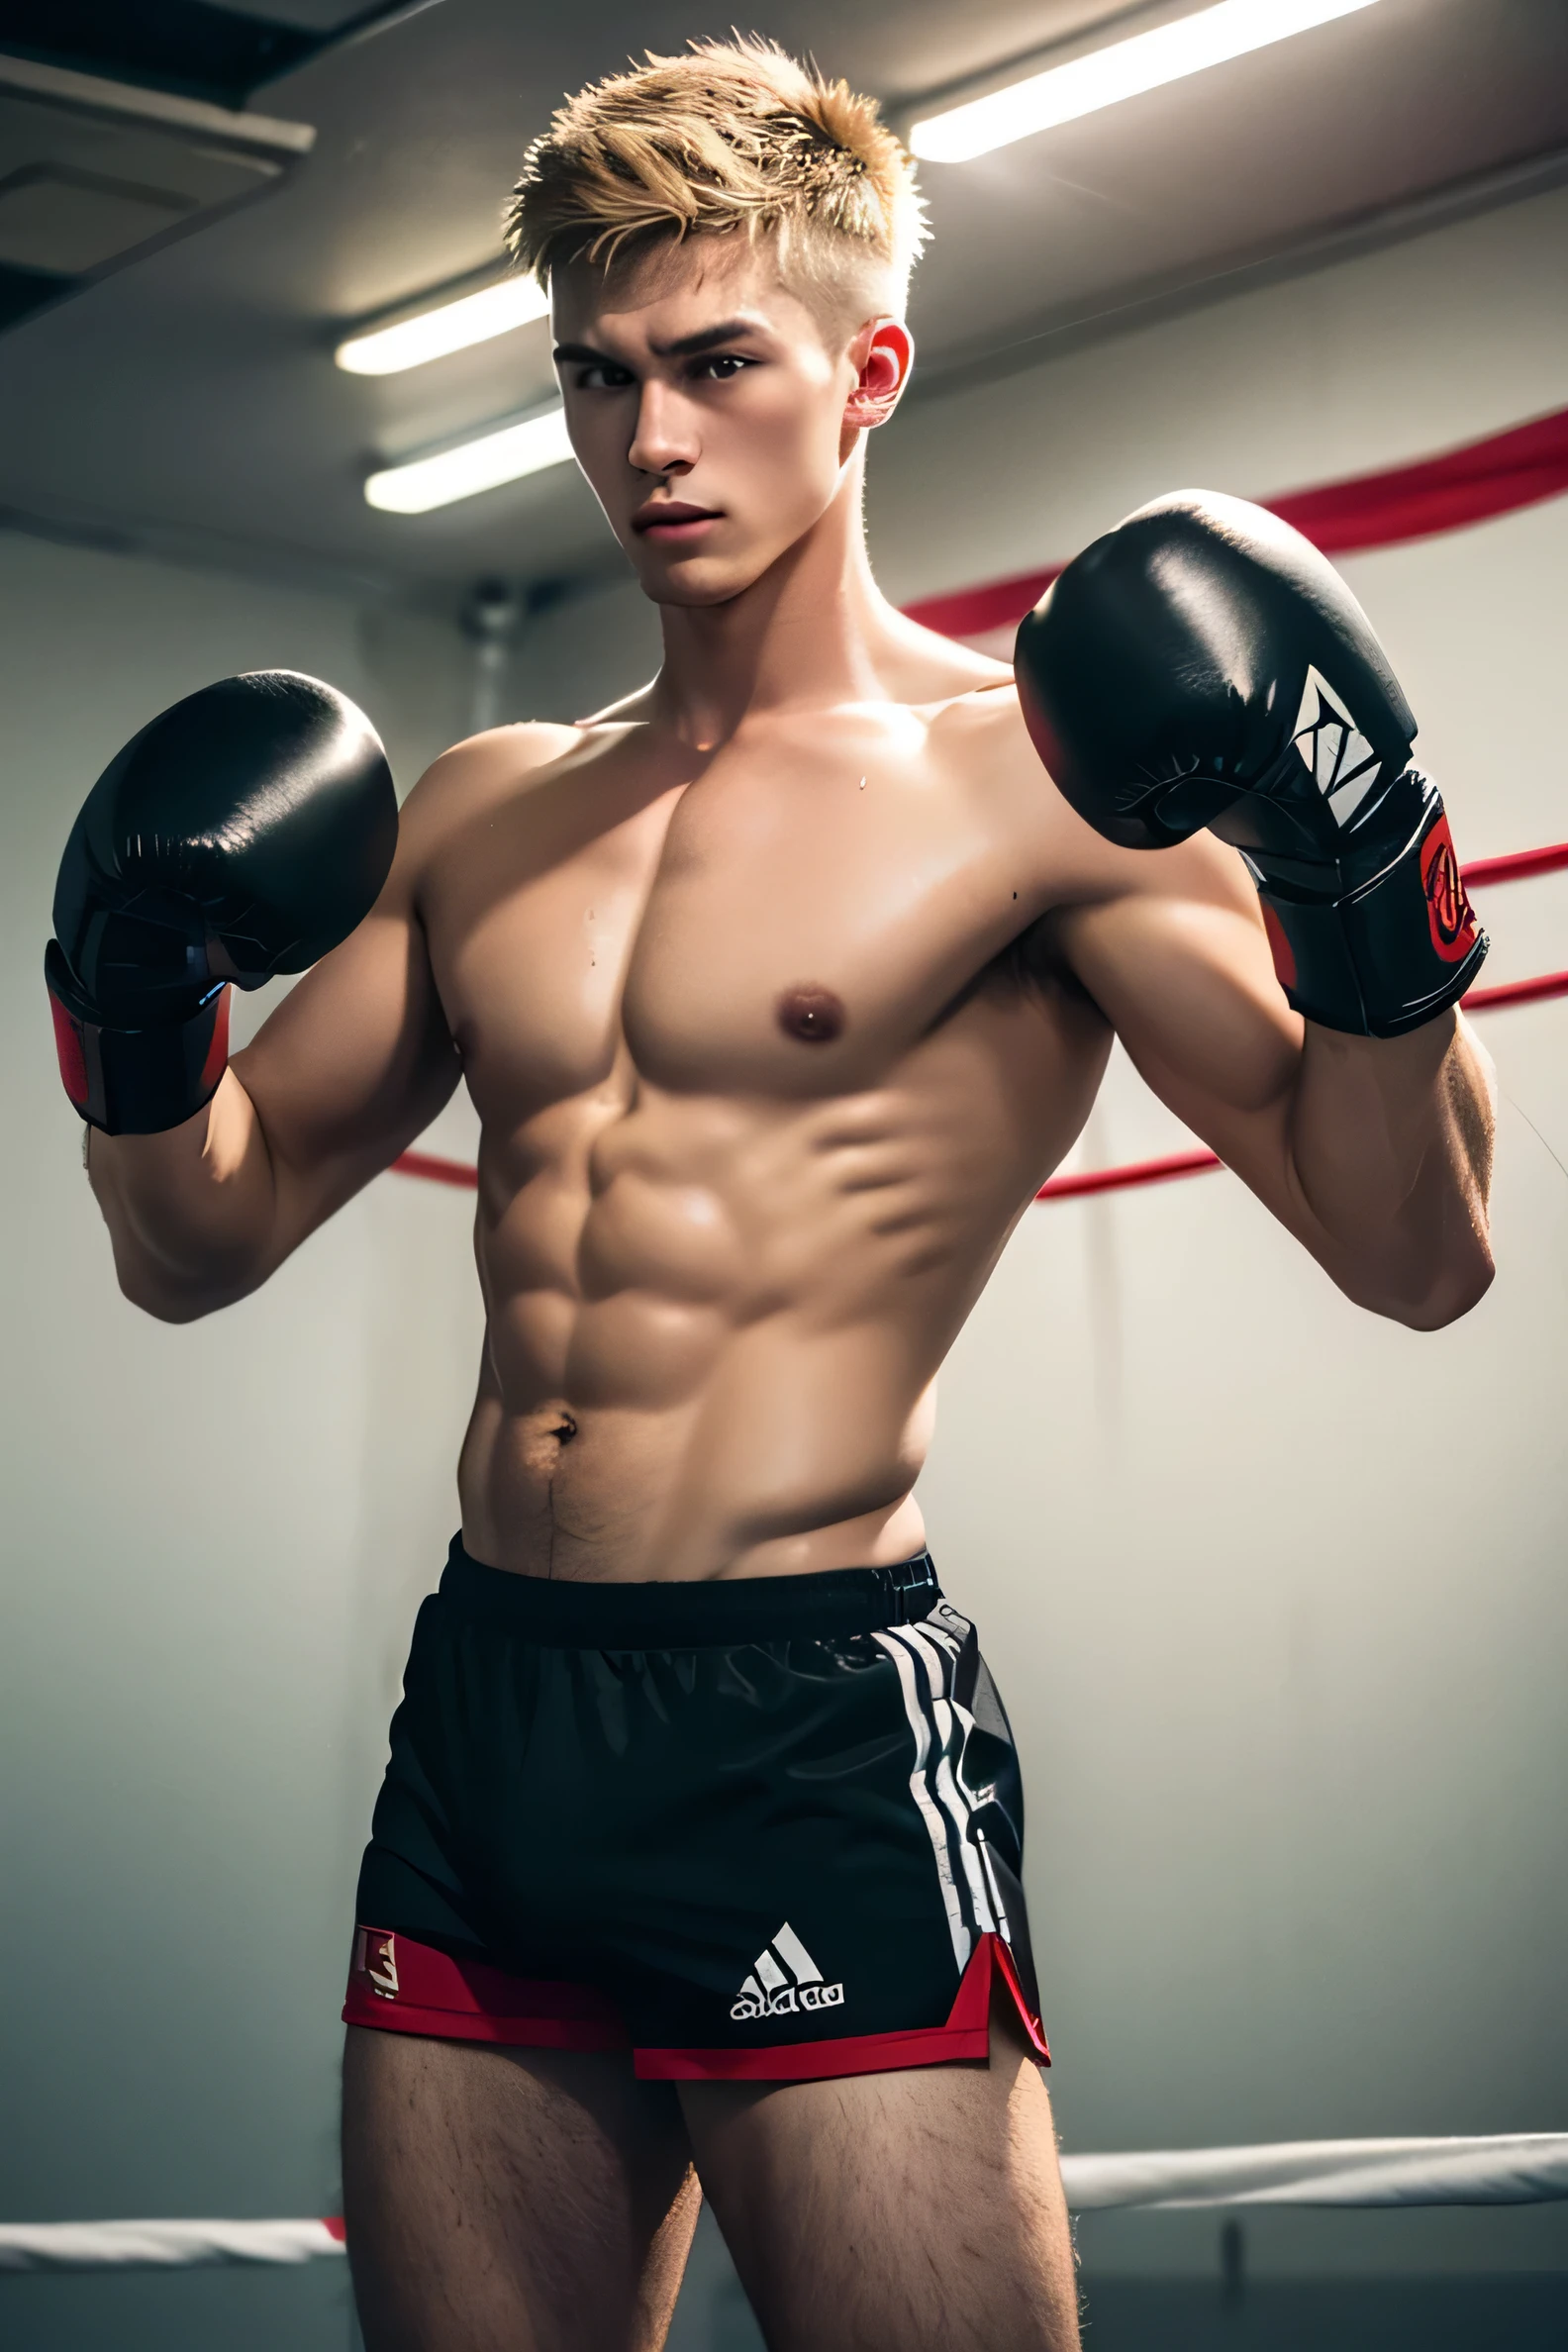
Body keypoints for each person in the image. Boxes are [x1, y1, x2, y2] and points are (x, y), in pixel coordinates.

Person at [48, 36, 1497, 2352]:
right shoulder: (484, 809)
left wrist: (1367, 889)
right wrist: (127, 1000)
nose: (649, 440)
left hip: (805, 1726)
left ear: (866, 373)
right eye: (597, 377)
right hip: (488, 1724)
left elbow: (1419, 1250)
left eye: (718, 363)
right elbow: (192, 1240)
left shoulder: (1039, 795)